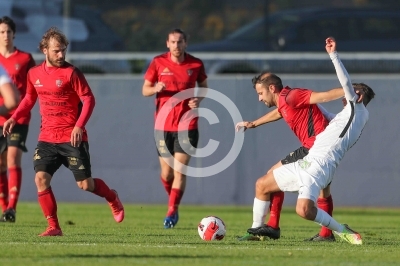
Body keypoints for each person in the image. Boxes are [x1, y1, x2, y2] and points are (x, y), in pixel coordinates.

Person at [243, 37, 374, 245]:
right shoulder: (350, 117)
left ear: (357, 96)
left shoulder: (355, 108)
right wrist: (256, 123)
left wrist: (333, 55)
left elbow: (342, 85)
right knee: (264, 184)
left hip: (319, 161)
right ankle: (266, 229)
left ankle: (333, 230)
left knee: (303, 207)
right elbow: (322, 114)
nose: (345, 95)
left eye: (351, 91)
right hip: (313, 159)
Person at [2, 27, 124, 236]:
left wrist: (79, 125)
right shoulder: (34, 74)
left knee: (85, 184)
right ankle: (54, 227)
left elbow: (88, 99)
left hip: (72, 138)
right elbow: (30, 99)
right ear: (44, 50)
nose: (61, 55)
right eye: (56, 51)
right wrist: (15, 117)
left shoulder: (71, 73)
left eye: (63, 50)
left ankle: (112, 197)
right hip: (47, 138)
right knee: (41, 178)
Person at [235, 72, 345, 241]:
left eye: (260, 93)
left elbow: (324, 96)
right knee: (324, 190)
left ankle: (268, 227)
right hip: (325, 149)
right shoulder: (285, 101)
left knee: (269, 179)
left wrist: (350, 90)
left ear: (271, 88)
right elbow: (280, 112)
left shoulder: (293, 96)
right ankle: (326, 234)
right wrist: (253, 124)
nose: (259, 98)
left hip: (313, 148)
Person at [142, 28, 208, 229]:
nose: (176, 45)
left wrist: (198, 98)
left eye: (180, 42)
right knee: (167, 174)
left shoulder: (195, 64)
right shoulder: (158, 62)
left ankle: (171, 211)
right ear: (167, 43)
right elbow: (145, 90)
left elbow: (204, 86)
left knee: (180, 171)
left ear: (185, 43)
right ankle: (174, 201)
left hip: (187, 125)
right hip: (162, 127)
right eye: (173, 42)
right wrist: (155, 89)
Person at [0, 16, 36, 222]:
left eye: (8, 32)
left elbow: (34, 87)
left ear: (14, 34)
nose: (5, 35)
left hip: (18, 119)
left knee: (13, 157)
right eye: (1, 32)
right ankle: (4, 208)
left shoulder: (24, 59)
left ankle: (11, 208)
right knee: (1, 163)